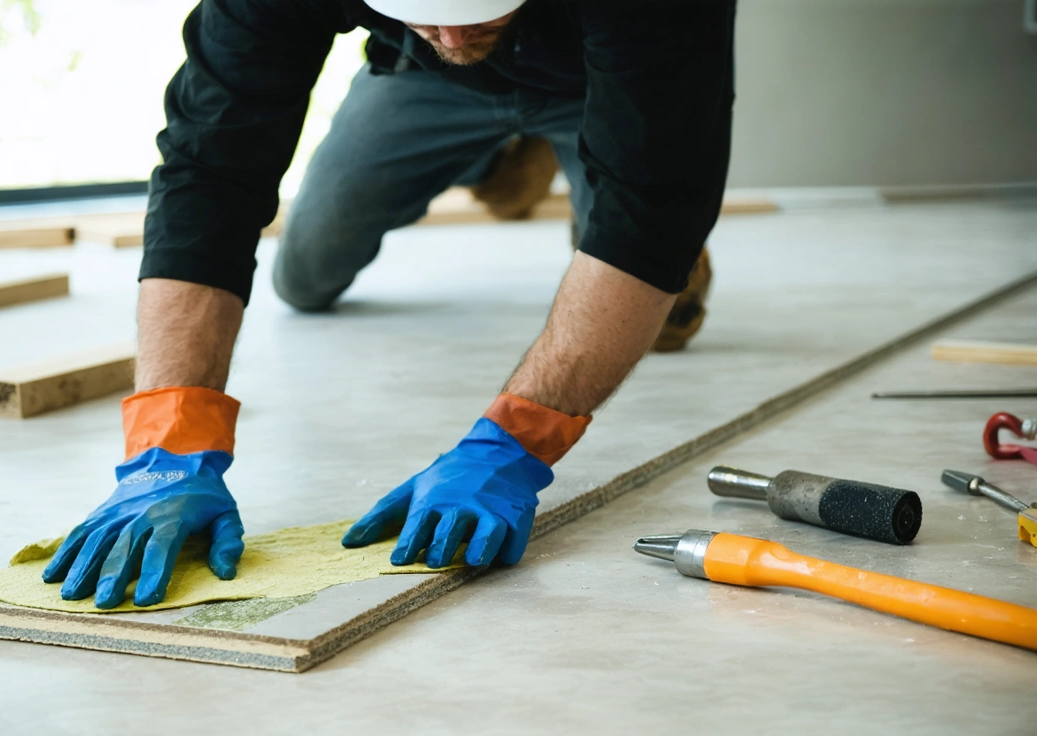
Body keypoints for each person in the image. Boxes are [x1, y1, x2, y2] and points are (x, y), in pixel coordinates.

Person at [41, 0, 736, 609]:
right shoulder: (435, 38)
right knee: (304, 276)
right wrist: (169, 441)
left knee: (653, 268)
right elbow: (210, 171)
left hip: (600, 80)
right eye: (431, 8)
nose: (457, 35)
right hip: (423, 81)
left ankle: (614, 193)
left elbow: (650, 211)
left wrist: (514, 441)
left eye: (476, 10)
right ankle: (504, 168)